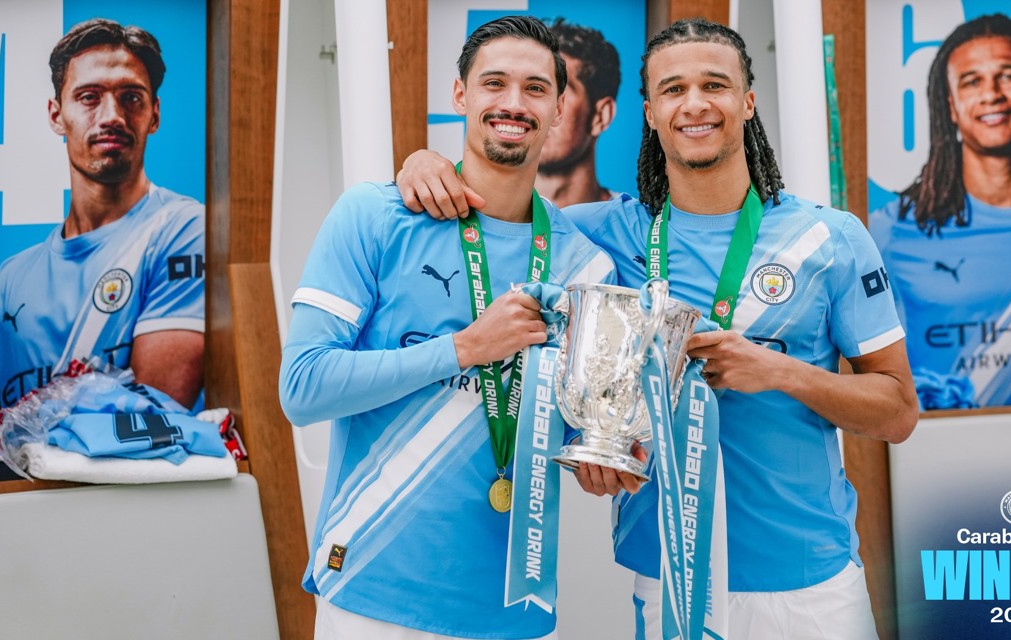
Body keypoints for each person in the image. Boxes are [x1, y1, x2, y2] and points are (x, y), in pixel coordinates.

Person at [397, 17, 919, 640]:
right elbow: (497, 201)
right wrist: (422, 163)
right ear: (648, 112)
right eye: (673, 90)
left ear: (747, 101)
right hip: (668, 575)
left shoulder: (829, 239)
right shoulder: (596, 233)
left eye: (715, 85)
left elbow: (897, 413)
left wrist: (777, 370)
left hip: (806, 584)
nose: (695, 104)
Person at [278, 16, 615, 640]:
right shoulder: (375, 215)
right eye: (494, 83)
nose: (513, 103)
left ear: (560, 105)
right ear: (460, 96)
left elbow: (575, 420)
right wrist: (462, 349)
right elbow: (302, 388)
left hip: (514, 609)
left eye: (536, 88)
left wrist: (607, 459)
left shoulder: (586, 265)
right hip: (371, 599)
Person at [0, 19, 204, 416]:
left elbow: (151, 420)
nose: (112, 116)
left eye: (131, 98)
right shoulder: (6, 283)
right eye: (89, 97)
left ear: (154, 115)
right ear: (57, 115)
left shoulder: (184, 230)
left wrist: (27, 433)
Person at [868, 14, 1011, 409]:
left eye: (1009, 75)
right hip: (941, 456)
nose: (991, 94)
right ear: (950, 105)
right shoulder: (890, 231)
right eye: (972, 81)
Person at [536, 18, 620, 207]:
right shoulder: (477, 218)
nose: (537, 109)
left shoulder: (635, 228)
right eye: (535, 89)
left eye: (560, 91)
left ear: (601, 116)